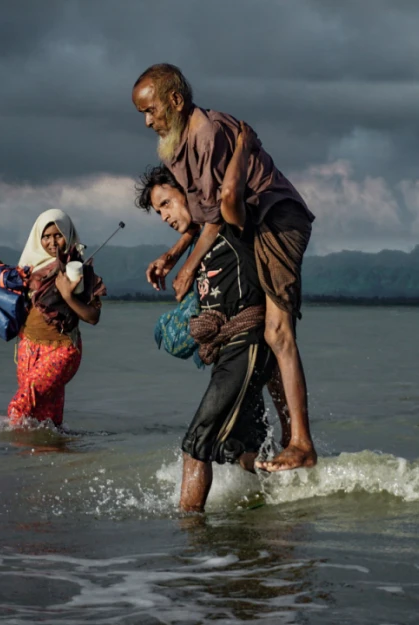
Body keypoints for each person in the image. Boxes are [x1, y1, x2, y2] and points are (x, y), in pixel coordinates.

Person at [132, 63, 316, 471]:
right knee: (264, 338)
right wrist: (176, 252)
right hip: (250, 223)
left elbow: (228, 206)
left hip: (277, 219)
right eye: (142, 114)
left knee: (276, 330)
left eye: (151, 111)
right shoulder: (178, 145)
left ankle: (302, 442)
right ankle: (286, 440)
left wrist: (187, 263)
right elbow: (205, 214)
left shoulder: (207, 134)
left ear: (175, 101)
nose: (147, 121)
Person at [144, 123, 276, 511]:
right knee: (242, 451)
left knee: (195, 446)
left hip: (245, 347)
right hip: (229, 353)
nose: (165, 215)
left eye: (167, 203)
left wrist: (242, 145)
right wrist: (174, 255)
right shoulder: (197, 247)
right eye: (158, 212)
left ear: (187, 191)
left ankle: (191, 541)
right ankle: (293, 512)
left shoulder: (233, 228)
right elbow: (199, 227)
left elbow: (224, 201)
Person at [0, 209, 106, 429]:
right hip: (28, 347)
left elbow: (93, 317)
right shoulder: (31, 267)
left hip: (62, 349)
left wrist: (67, 294)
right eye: (46, 236)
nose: (52, 242)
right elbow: (17, 285)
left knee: (20, 407)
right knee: (45, 418)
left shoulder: (80, 271)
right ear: (38, 237)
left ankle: (7, 451)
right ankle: (47, 457)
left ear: (68, 235)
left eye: (58, 235)